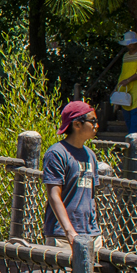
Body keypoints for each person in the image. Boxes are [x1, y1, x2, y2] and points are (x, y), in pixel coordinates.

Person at [43, 101, 101, 244]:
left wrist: (95, 229)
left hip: (91, 233)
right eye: (92, 121)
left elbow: (92, 196)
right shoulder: (57, 153)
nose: (96, 126)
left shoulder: (90, 155)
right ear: (77, 124)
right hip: (63, 234)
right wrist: (69, 232)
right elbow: (53, 195)